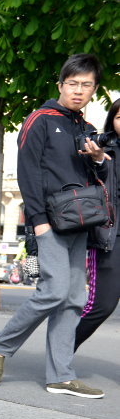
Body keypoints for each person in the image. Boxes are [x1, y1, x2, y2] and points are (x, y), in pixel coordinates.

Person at [0, 54, 108, 399]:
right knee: (54, 291)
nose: (79, 91)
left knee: (73, 297)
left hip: (80, 221)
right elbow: (28, 173)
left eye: (86, 85)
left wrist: (98, 160)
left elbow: (100, 178)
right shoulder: (40, 119)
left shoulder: (85, 127)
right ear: (60, 85)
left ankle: (61, 375)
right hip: (49, 221)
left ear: (94, 89)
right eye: (73, 84)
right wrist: (37, 222)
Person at [75, 97, 120, 350]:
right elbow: (96, 181)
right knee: (102, 305)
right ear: (112, 122)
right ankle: (60, 352)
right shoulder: (103, 151)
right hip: (111, 237)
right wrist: (99, 160)